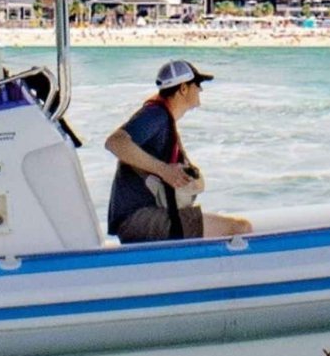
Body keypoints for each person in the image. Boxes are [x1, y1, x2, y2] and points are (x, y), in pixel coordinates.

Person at [104, 59, 253, 244]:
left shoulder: (164, 119)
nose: (200, 90)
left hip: (143, 217)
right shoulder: (156, 116)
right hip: (138, 220)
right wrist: (164, 170)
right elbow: (114, 142)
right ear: (183, 88)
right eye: (197, 84)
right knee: (241, 228)